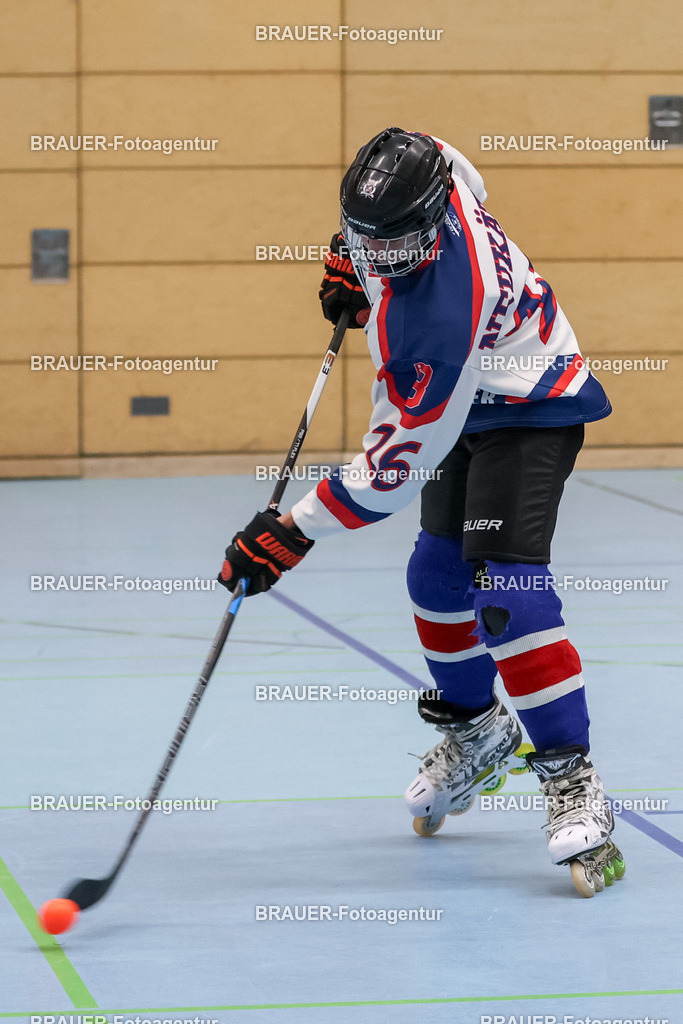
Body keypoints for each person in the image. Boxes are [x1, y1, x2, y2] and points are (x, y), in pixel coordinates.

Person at [218, 127, 624, 898]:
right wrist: (353, 263)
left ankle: (572, 776)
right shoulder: (413, 185)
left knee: (504, 591)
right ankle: (476, 730)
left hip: (527, 402)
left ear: (434, 220)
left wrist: (290, 530)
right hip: (464, 397)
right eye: (369, 239)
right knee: (436, 579)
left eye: (395, 245)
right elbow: (438, 160)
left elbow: (395, 462)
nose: (381, 253)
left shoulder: (441, 309)